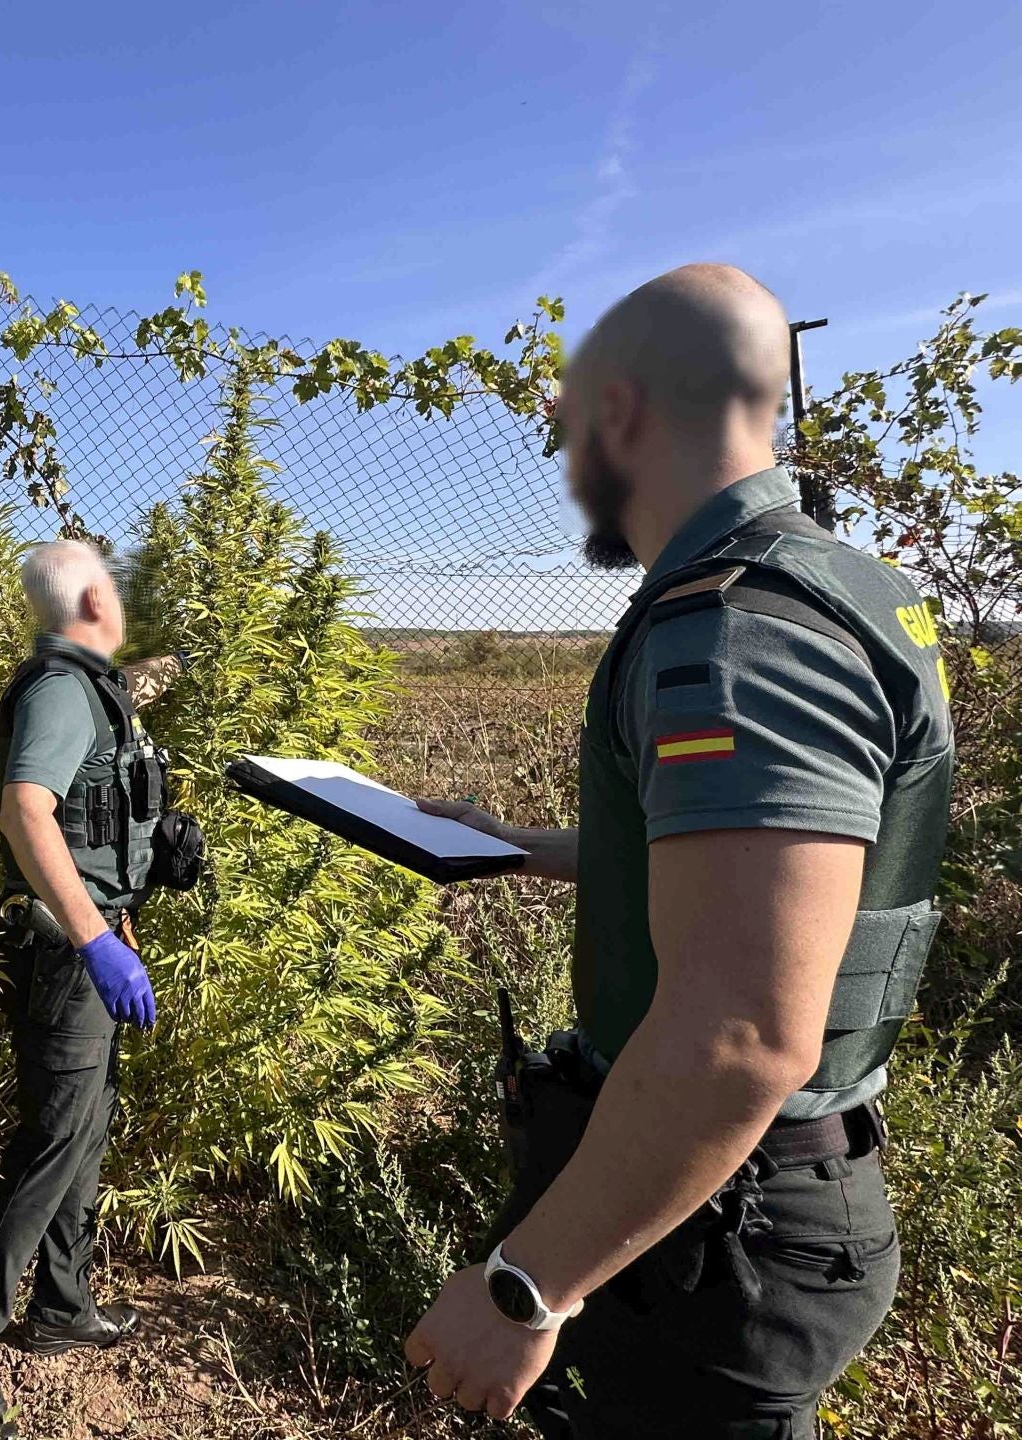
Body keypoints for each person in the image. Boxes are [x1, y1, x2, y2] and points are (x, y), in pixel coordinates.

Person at [404, 264, 954, 1438]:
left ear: (620, 414)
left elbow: (742, 1034)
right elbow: (771, 879)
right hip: (743, 1198)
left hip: (720, 1226)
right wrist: (534, 848)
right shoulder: (853, 585)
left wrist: (526, 1285)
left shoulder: (736, 625)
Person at [0, 539, 193, 1440]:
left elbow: (94, 817)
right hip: (71, 955)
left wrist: (159, 854)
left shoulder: (96, 688)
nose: (124, 599)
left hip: (101, 940)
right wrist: (94, 941)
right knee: (50, 1148)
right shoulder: (59, 692)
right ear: (86, 602)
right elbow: (25, 808)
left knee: (86, 1131)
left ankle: (61, 1305)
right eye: (112, 588)